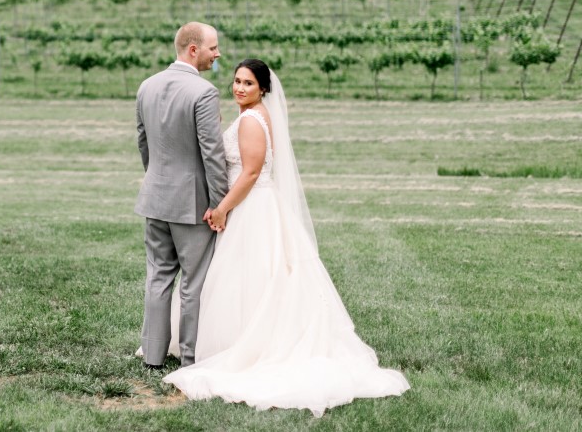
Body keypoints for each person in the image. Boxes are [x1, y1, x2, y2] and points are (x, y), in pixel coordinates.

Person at [163, 59, 410, 416]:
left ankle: (245, 346)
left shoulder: (250, 119)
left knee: (249, 277)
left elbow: (248, 174)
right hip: (261, 204)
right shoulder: (260, 114)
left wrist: (221, 210)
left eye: (248, 83)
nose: (239, 88)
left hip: (251, 206)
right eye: (236, 81)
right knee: (261, 276)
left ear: (262, 88)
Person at [134, 22, 229, 368]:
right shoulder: (203, 92)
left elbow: (143, 143)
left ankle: (154, 356)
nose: (217, 54)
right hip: (192, 205)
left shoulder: (147, 86)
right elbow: (212, 154)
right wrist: (220, 205)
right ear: (193, 49)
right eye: (213, 48)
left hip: (155, 198)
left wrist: (157, 179)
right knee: (193, 282)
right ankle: (190, 359)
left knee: (158, 276)